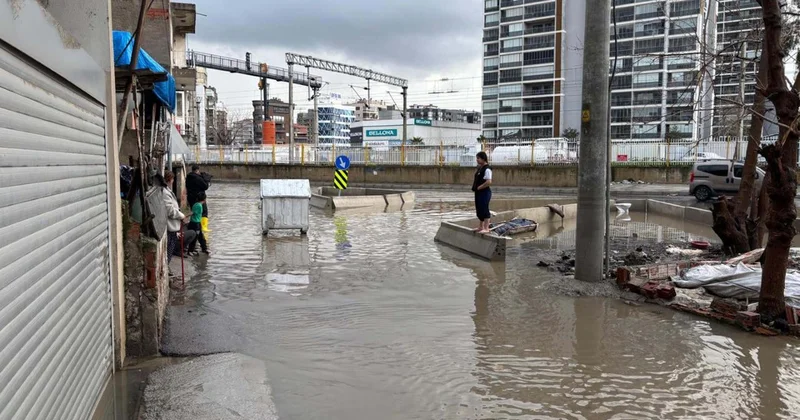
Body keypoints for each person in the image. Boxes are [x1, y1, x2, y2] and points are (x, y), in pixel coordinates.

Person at [161, 172, 190, 265]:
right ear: (169, 180)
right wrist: (181, 215)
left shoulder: (167, 191)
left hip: (172, 226)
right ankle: (166, 267)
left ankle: (167, 267)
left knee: (170, 248)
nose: (173, 181)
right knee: (169, 250)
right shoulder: (165, 192)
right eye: (172, 179)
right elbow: (170, 210)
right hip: (170, 227)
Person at [472, 151, 493, 234]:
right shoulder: (480, 168)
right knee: (479, 209)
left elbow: (488, 182)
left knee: (484, 208)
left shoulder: (487, 169)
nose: (477, 160)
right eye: (476, 158)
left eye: (478, 158)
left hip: (484, 192)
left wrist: (480, 187)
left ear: (483, 158)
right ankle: (480, 226)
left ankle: (486, 228)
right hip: (478, 192)